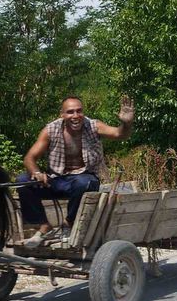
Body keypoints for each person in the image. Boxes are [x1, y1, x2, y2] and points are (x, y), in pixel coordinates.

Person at [17, 95, 134, 247]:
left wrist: (126, 124)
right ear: (62, 115)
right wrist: (37, 173)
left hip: (84, 180)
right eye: (70, 112)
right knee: (22, 181)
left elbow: (120, 134)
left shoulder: (93, 126)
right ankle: (43, 225)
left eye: (79, 111)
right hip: (57, 180)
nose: (75, 116)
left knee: (83, 182)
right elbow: (29, 158)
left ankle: (68, 223)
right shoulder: (50, 130)